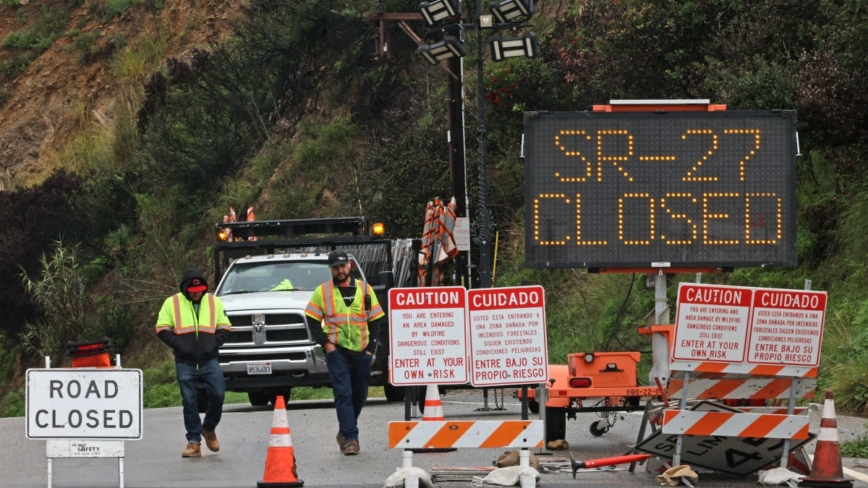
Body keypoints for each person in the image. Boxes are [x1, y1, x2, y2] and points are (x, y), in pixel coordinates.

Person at [304, 250, 385, 455]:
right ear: (331, 269)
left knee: (359, 396)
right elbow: (312, 320)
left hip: (362, 352)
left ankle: (344, 431)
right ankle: (351, 439)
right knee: (343, 394)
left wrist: (370, 350)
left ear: (350, 266)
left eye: (343, 266)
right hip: (336, 350)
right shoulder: (322, 292)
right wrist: (326, 345)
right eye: (335, 267)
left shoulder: (365, 289)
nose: (340, 270)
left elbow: (375, 320)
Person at [156, 269, 231, 458]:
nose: (197, 293)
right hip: (185, 362)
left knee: (218, 394)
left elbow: (224, 326)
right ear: (185, 289)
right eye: (193, 290)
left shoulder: (214, 301)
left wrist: (212, 344)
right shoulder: (172, 303)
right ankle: (194, 442)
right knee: (189, 401)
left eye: (200, 290)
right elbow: (162, 328)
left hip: (209, 360)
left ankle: (208, 428)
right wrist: (180, 345)